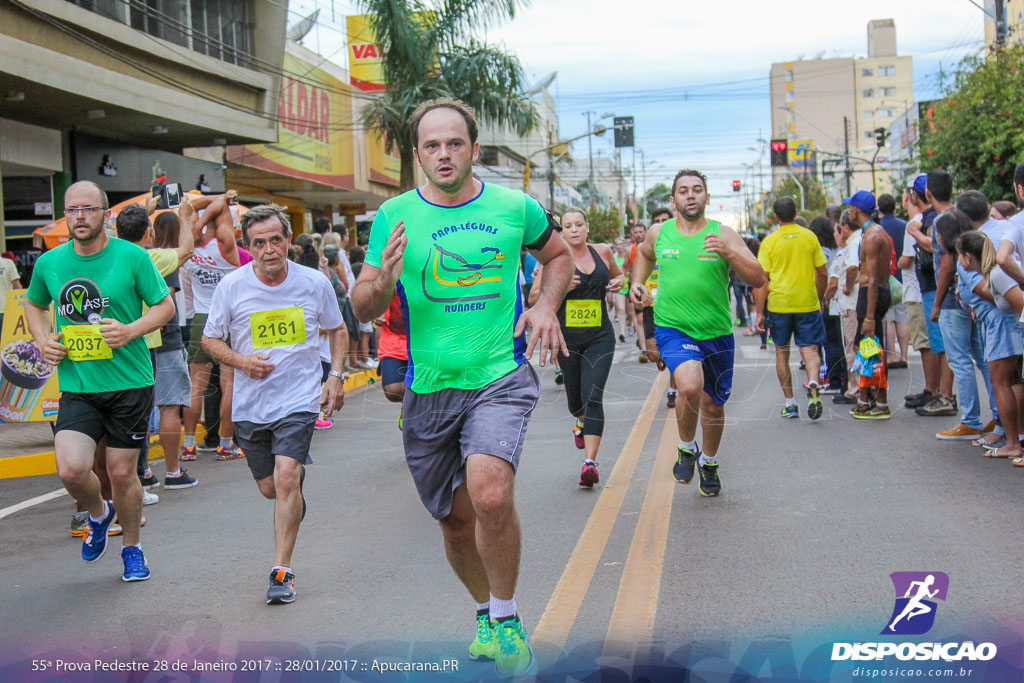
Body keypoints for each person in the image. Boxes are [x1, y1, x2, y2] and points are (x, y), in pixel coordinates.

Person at [351, 97, 572, 678]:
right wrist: (385, 281)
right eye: (432, 145)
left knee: (490, 492)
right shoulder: (394, 216)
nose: (444, 154)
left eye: (455, 143)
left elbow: (560, 256)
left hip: (498, 375)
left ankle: (505, 616)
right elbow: (363, 300)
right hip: (429, 387)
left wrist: (547, 304)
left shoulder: (514, 206)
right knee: (454, 521)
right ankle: (482, 609)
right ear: (417, 154)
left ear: (474, 149)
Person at [24, 180, 175, 582]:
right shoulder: (50, 263)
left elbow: (165, 306)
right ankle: (98, 513)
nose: (79, 217)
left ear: (105, 215)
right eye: (72, 210)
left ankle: (132, 548)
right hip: (79, 384)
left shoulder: (131, 257)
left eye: (88, 209)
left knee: (123, 474)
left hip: (129, 382)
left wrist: (131, 330)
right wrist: (43, 342)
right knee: (72, 470)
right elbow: (34, 304)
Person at [202, 205, 347, 604]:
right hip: (251, 406)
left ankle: (281, 571)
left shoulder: (313, 283)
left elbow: (337, 329)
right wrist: (242, 360)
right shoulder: (232, 287)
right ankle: (292, 497)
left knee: (286, 477)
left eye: (276, 240)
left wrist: (334, 376)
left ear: (288, 240)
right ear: (248, 247)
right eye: (259, 243)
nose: (269, 249)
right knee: (272, 489)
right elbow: (210, 341)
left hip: (299, 398)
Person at [632, 169, 765, 495]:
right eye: (683, 191)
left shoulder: (724, 233)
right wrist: (637, 282)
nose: (690, 195)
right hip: (673, 328)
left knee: (714, 405)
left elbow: (759, 277)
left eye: (697, 190)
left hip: (716, 331)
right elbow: (645, 256)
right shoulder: (659, 233)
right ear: (674, 199)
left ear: (707, 197)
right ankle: (687, 446)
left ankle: (709, 460)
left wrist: (730, 253)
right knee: (690, 386)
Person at [531, 208, 623, 487]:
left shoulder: (603, 252)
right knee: (576, 402)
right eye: (568, 226)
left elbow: (619, 277)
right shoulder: (554, 259)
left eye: (578, 224)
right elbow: (534, 295)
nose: (573, 230)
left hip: (600, 336)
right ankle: (581, 423)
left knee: (593, 397)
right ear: (562, 231)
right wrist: (561, 288)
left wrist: (620, 283)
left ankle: (589, 463)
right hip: (566, 338)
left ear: (586, 227)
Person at [114, 201, 198, 491]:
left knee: (133, 412)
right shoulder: (151, 258)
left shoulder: (109, 256)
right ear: (147, 232)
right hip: (159, 339)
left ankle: (142, 474)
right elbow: (187, 250)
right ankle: (172, 472)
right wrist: (185, 218)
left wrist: (145, 208)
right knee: (169, 405)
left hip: (123, 344)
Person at [180, 193, 243, 461]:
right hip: (230, 319)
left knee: (196, 385)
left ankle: (190, 445)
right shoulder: (225, 244)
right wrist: (219, 200)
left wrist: (194, 220)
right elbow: (222, 207)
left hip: (201, 319)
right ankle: (226, 445)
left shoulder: (186, 249)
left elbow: (186, 211)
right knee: (230, 383)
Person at [754, 197, 827, 420]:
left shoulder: (769, 242)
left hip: (779, 304)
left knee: (782, 352)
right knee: (810, 350)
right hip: (807, 302)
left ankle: (791, 403)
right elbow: (822, 272)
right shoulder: (810, 237)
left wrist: (759, 312)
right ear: (796, 212)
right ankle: (813, 381)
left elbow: (762, 280)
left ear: (775, 217)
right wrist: (820, 297)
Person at [955, 230, 1023, 459]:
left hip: (1004, 329)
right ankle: (1016, 439)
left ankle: (1013, 443)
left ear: (967, 256)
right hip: (1004, 327)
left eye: (959, 256)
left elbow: (1021, 304)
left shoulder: (996, 275)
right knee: (1008, 382)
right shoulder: (992, 274)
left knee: (1001, 383)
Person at [845, 191, 892, 419]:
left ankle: (879, 402)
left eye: (851, 207)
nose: (849, 211)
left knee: (869, 349)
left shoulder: (872, 236)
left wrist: (870, 316)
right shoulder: (871, 232)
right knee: (866, 349)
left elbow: (872, 278)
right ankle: (866, 398)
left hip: (872, 293)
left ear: (857, 210)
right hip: (872, 293)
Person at [811, 215, 846, 393]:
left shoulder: (822, 251)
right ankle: (840, 375)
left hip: (828, 299)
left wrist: (821, 298)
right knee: (838, 342)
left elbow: (821, 273)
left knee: (829, 342)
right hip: (839, 300)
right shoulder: (836, 249)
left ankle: (833, 379)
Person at [877, 193, 909, 368]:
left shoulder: (878, 228)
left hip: (887, 277)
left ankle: (891, 356)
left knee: (888, 318)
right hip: (903, 277)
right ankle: (904, 355)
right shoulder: (904, 226)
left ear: (879, 208)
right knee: (902, 317)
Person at [833, 211, 862, 405]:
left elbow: (852, 267)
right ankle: (863, 387)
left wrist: (847, 286)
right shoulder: (863, 237)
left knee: (852, 346)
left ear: (845, 227)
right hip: (861, 300)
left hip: (852, 301)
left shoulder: (853, 242)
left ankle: (855, 389)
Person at [0, 252, 22, 330]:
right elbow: (17, 286)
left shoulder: (8, 263)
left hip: (6, 310)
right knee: (7, 341)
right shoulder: (8, 263)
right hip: (7, 309)